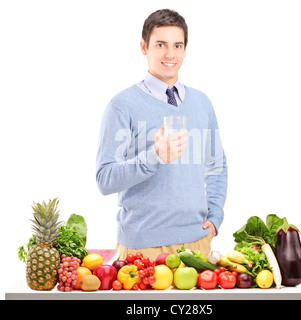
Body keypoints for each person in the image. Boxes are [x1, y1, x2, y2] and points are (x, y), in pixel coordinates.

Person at [96, 9, 228, 260]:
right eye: (161, 44)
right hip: (141, 248)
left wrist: (215, 218)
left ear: (185, 50)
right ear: (144, 47)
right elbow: (104, 179)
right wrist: (154, 156)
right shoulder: (122, 105)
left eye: (177, 45)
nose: (170, 54)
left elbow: (217, 165)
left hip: (197, 242)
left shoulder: (202, 103)